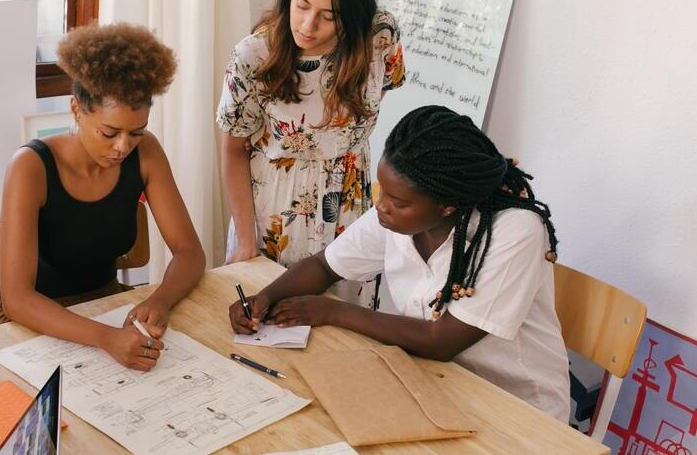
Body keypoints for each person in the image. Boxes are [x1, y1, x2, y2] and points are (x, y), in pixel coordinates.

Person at [228, 106, 571, 421]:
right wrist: (265, 298)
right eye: (383, 192)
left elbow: (442, 341)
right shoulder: (397, 217)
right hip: (436, 384)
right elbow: (324, 266)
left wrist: (331, 311)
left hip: (517, 409)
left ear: (447, 205)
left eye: (398, 201)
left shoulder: (514, 230)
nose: (381, 206)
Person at [0, 23, 206, 371]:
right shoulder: (31, 167)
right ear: (77, 109)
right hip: (36, 323)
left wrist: (160, 300)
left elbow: (190, 252)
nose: (123, 147)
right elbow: (17, 299)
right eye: (109, 133)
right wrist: (106, 338)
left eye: (135, 133)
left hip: (108, 308)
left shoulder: (146, 153)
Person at [217, 0, 406, 304]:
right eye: (301, 4)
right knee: (267, 324)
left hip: (350, 207)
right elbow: (232, 149)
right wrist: (244, 240)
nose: (307, 24)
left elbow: (380, 92)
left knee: (344, 332)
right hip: (275, 212)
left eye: (328, 15)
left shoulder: (379, 37)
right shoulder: (254, 55)